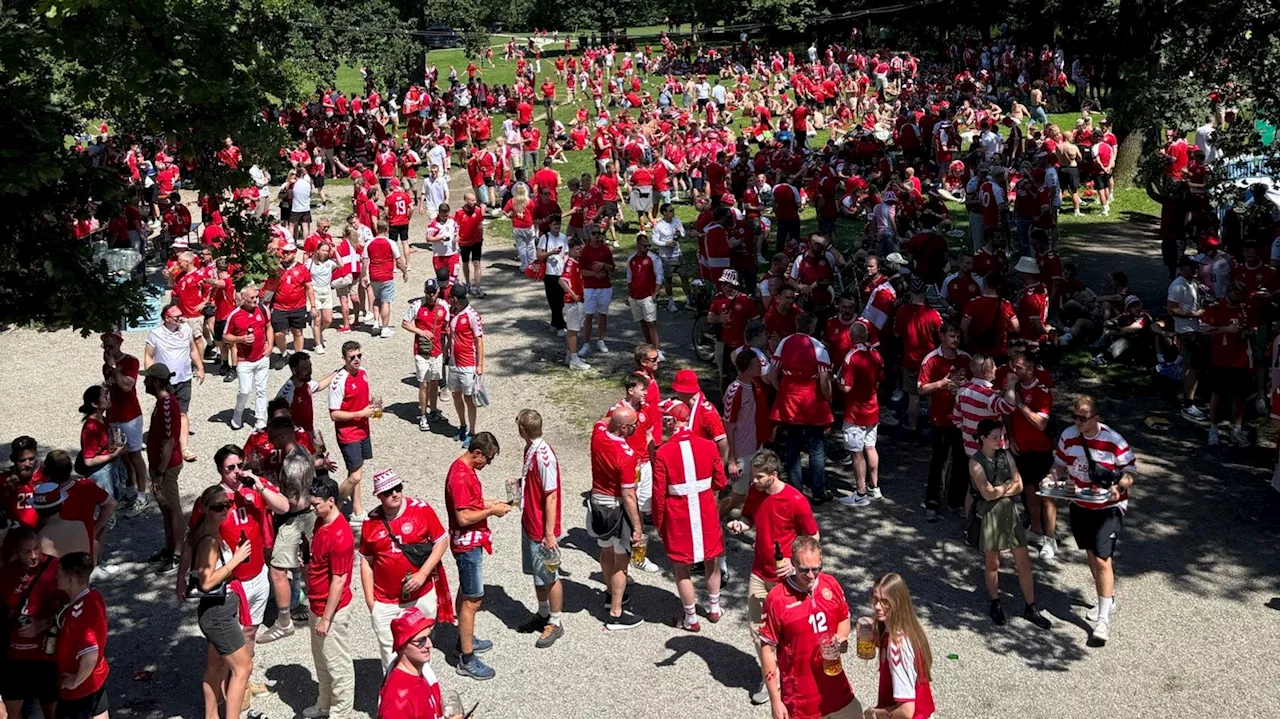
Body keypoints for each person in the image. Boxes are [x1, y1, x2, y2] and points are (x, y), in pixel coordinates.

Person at [1042, 395, 1137, 646]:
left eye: (1083, 418)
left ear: (1097, 417)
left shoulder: (1113, 440)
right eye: (1075, 417)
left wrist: (1119, 486)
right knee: (1091, 553)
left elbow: (1130, 471)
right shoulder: (1068, 436)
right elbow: (1060, 464)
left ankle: (1103, 621)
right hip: (1080, 502)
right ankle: (1106, 599)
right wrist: (1052, 477)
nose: (1079, 422)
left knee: (1102, 558)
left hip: (1109, 505)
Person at [359, 468, 453, 672]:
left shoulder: (421, 510)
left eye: (397, 488)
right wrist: (370, 602)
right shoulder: (370, 522)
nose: (394, 494)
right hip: (385, 601)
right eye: (387, 491)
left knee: (422, 649)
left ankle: (424, 694)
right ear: (379, 496)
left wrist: (422, 574)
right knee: (390, 655)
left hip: (421, 595)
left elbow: (441, 541)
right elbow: (366, 561)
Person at [758, 536, 861, 719]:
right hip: (801, 702)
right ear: (793, 564)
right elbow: (767, 649)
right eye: (804, 570)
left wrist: (841, 637)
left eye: (816, 569)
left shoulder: (831, 584)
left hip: (837, 690)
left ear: (821, 561)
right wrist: (775, 699)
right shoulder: (777, 599)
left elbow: (844, 617)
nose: (811, 575)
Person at [652, 400, 728, 631]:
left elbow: (658, 494)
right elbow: (721, 481)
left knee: (682, 568)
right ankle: (714, 608)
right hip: (705, 511)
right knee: (712, 561)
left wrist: (659, 521)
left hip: (679, 516)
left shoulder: (663, 452)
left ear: (672, 421)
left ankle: (691, 618)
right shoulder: (707, 446)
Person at [968, 419, 1051, 628]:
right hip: (990, 517)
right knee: (992, 563)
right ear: (983, 438)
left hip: (1009, 514)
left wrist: (1000, 489)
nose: (999, 441)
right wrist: (1006, 486)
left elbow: (1020, 485)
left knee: (1024, 562)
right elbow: (986, 493)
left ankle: (1030, 606)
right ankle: (995, 603)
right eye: (994, 437)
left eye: (1000, 437)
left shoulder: (1006, 455)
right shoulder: (975, 462)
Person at [445, 432, 511, 680]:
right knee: (473, 600)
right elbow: (463, 517)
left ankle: (465, 639)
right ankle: (467, 658)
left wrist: (487, 502)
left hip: (468, 543)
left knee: (465, 592)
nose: (488, 464)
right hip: (467, 545)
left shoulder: (463, 469)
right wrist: (491, 511)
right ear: (477, 453)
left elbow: (469, 504)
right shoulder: (461, 476)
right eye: (488, 459)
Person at [186, 485, 254, 719]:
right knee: (243, 667)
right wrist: (235, 560)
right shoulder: (209, 541)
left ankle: (211, 716)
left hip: (214, 610)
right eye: (218, 507)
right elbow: (205, 583)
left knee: (215, 667)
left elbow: (186, 548)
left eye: (227, 504)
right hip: (218, 614)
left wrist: (178, 582)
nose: (224, 510)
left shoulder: (203, 530)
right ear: (205, 509)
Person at [587, 406, 644, 631]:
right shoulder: (627, 455)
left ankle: (610, 592)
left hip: (597, 502)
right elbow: (628, 495)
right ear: (623, 428)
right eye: (633, 425)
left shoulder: (598, 432)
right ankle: (616, 612)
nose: (636, 428)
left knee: (606, 551)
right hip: (616, 507)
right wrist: (638, 527)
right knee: (621, 561)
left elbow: (603, 419)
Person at [769, 312, 834, 503]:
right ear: (812, 326)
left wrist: (782, 390)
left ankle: (795, 489)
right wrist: (828, 398)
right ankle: (818, 491)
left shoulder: (784, 343)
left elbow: (773, 373)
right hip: (811, 400)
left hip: (790, 399)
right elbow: (824, 380)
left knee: (793, 445)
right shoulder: (819, 348)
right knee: (816, 446)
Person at [513, 409, 565, 648]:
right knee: (537, 574)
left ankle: (555, 621)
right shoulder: (530, 449)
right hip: (530, 520)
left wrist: (549, 533)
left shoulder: (544, 456)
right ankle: (543, 613)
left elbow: (551, 494)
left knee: (549, 575)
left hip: (541, 528)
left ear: (523, 430)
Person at [305, 475, 355, 719]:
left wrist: (326, 618)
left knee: (338, 666)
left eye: (316, 504)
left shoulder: (340, 536)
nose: (312, 507)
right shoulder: (321, 521)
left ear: (331, 501)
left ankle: (341, 713)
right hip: (317, 605)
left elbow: (339, 580)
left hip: (330, 610)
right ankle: (324, 704)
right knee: (322, 663)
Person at [0, 528, 61, 719]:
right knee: (13, 713)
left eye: (37, 549)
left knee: (53, 712)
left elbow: (70, 608)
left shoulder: (55, 569)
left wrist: (43, 623)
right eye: (26, 552)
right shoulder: (6, 575)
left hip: (46, 657)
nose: (34, 556)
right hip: (14, 658)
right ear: (16, 552)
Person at [918, 324, 972, 519]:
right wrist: (940, 384)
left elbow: (976, 383)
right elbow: (921, 388)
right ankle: (932, 503)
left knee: (961, 462)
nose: (955, 340)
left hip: (962, 420)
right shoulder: (931, 359)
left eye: (958, 336)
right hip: (940, 419)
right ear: (942, 336)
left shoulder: (966, 358)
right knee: (939, 462)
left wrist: (963, 388)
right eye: (951, 336)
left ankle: (955, 501)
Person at [867, 573, 936, 719]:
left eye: (885, 602)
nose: (877, 607)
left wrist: (872, 714)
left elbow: (906, 711)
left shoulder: (897, 646)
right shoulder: (906, 628)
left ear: (897, 602)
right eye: (875, 599)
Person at [52, 553, 112, 719]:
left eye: (60, 573)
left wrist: (75, 682)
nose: (56, 576)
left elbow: (90, 654)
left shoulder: (77, 615)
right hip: (97, 677)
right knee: (99, 711)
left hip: (80, 690)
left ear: (71, 579)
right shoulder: (94, 597)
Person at [145, 303, 204, 462]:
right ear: (167, 318)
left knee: (183, 412)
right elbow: (149, 356)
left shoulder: (186, 330)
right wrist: (152, 377)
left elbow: (192, 349)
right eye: (177, 316)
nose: (181, 318)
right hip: (165, 382)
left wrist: (200, 368)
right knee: (164, 411)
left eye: (181, 315)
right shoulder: (155, 334)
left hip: (184, 379)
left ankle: (183, 448)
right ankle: (160, 442)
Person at [142, 363, 185, 573]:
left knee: (172, 508)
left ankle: (177, 553)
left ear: (157, 381)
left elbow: (169, 442)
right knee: (165, 508)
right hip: (159, 466)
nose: (144, 382)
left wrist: (159, 472)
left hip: (166, 468)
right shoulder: (162, 403)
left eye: (148, 378)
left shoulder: (167, 405)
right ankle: (169, 548)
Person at [837, 323, 884, 507]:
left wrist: (837, 383)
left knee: (857, 454)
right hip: (873, 409)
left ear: (851, 336)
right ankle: (875, 487)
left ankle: (860, 493)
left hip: (855, 413)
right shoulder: (875, 354)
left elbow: (847, 387)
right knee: (871, 448)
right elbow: (880, 380)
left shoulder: (851, 357)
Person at [101, 331, 147, 512]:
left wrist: (114, 367)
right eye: (105, 346)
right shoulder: (105, 366)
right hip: (113, 416)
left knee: (135, 455)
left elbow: (127, 386)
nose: (107, 350)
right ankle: (130, 490)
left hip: (130, 417)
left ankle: (142, 495)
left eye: (110, 346)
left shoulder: (131, 362)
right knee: (123, 456)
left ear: (119, 344)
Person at [377, 608, 449, 719]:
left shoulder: (420, 670)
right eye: (421, 641)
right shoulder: (398, 700)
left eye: (429, 636)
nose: (429, 644)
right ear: (401, 646)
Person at [224, 286, 274, 431]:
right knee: (244, 390)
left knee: (262, 390)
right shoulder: (235, 315)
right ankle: (238, 413)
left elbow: (269, 326)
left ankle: (260, 419)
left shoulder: (262, 309)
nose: (255, 300)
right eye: (252, 298)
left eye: (256, 297)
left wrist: (270, 346)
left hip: (262, 357)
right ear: (243, 299)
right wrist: (241, 339)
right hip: (244, 360)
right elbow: (225, 336)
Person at [402, 279, 451, 430]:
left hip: (437, 350)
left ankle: (434, 411)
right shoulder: (417, 305)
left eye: (433, 292)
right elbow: (405, 322)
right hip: (422, 350)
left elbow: (447, 327)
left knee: (435, 380)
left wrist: (448, 347)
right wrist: (420, 331)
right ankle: (423, 415)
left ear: (437, 291)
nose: (430, 295)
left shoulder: (444, 305)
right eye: (428, 292)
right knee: (424, 383)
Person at [1167, 256, 1208, 420]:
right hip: (1187, 331)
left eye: (1195, 267)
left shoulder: (1191, 282)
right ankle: (1189, 404)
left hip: (1194, 329)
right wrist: (1194, 314)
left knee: (1189, 366)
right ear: (1182, 268)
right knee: (1193, 367)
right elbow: (1171, 309)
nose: (1195, 270)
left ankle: (1186, 397)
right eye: (1191, 267)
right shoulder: (1177, 286)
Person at [446, 284, 485, 446]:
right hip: (454, 362)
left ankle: (472, 432)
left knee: (469, 398)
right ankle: (462, 425)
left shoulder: (472, 315)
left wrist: (480, 365)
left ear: (455, 298)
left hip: (468, 364)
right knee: (456, 394)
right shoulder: (452, 312)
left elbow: (480, 340)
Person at [264, 242, 315, 360]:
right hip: (279, 307)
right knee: (278, 333)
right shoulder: (276, 269)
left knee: (297, 332)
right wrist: (265, 305)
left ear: (294, 253)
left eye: (288, 252)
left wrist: (312, 306)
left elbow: (309, 287)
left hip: (298, 307)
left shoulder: (302, 269)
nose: (285, 255)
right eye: (284, 252)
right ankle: (284, 354)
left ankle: (298, 357)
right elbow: (270, 288)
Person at [78, 385, 126, 504]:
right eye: (105, 396)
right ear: (95, 404)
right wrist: (114, 455)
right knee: (105, 508)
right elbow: (89, 460)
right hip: (100, 474)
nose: (108, 398)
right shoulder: (91, 428)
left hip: (109, 470)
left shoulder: (102, 420)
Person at [362, 220, 409, 338]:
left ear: (377, 229)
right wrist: (404, 272)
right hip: (386, 275)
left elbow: (365, 261)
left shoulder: (369, 243)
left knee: (377, 299)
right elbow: (398, 261)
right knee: (386, 301)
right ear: (386, 229)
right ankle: (385, 328)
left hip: (374, 275)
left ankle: (376, 323)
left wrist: (364, 275)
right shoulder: (391, 243)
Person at [577, 223, 615, 356]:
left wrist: (603, 265)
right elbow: (581, 271)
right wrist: (595, 274)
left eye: (598, 233)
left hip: (605, 287)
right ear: (590, 235)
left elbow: (612, 268)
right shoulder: (585, 251)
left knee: (603, 314)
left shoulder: (605, 249)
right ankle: (586, 343)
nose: (597, 236)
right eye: (594, 233)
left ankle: (601, 340)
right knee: (589, 315)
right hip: (590, 287)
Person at [627, 232, 665, 353]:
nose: (647, 248)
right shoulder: (631, 259)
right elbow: (629, 277)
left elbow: (659, 276)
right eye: (644, 245)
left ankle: (657, 349)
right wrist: (630, 294)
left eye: (648, 245)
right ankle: (649, 346)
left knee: (651, 323)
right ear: (638, 245)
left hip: (648, 296)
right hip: (635, 296)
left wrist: (656, 293)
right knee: (642, 322)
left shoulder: (653, 258)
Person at [536, 215, 570, 334]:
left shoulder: (563, 237)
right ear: (550, 225)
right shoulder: (544, 238)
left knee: (560, 301)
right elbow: (539, 255)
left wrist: (564, 260)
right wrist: (551, 253)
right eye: (555, 224)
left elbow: (566, 253)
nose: (557, 227)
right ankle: (560, 325)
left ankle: (555, 323)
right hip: (549, 273)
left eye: (559, 224)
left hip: (561, 272)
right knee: (553, 300)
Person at [561, 236, 590, 370]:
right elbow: (562, 281)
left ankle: (569, 355)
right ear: (571, 249)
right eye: (577, 249)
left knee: (574, 329)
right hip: (572, 301)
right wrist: (573, 295)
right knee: (573, 330)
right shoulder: (571, 264)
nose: (580, 251)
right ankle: (574, 358)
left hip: (577, 299)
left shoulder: (577, 263)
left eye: (581, 249)